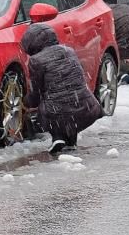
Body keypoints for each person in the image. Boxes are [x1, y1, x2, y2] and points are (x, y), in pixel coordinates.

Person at [22, 23, 103, 153]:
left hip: (57, 112)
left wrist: (26, 102)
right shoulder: (69, 51)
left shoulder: (36, 60)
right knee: (69, 109)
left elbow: (36, 92)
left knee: (48, 108)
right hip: (87, 108)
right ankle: (71, 142)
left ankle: (57, 137)